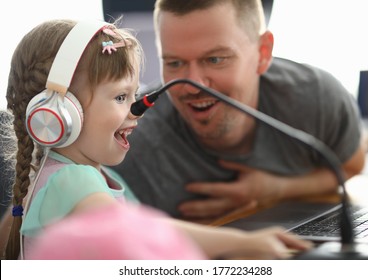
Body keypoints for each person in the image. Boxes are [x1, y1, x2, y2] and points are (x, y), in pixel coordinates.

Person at [3, 18, 311, 260]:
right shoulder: (72, 182)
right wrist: (240, 243)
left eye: (134, 94)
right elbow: (137, 230)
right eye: (121, 96)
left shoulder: (82, 174)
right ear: (60, 113)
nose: (136, 109)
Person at [112, 0, 366, 220]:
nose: (192, 85)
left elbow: (352, 164)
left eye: (215, 59)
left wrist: (278, 189)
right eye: (175, 63)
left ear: (263, 52)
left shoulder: (315, 96)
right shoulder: (133, 141)